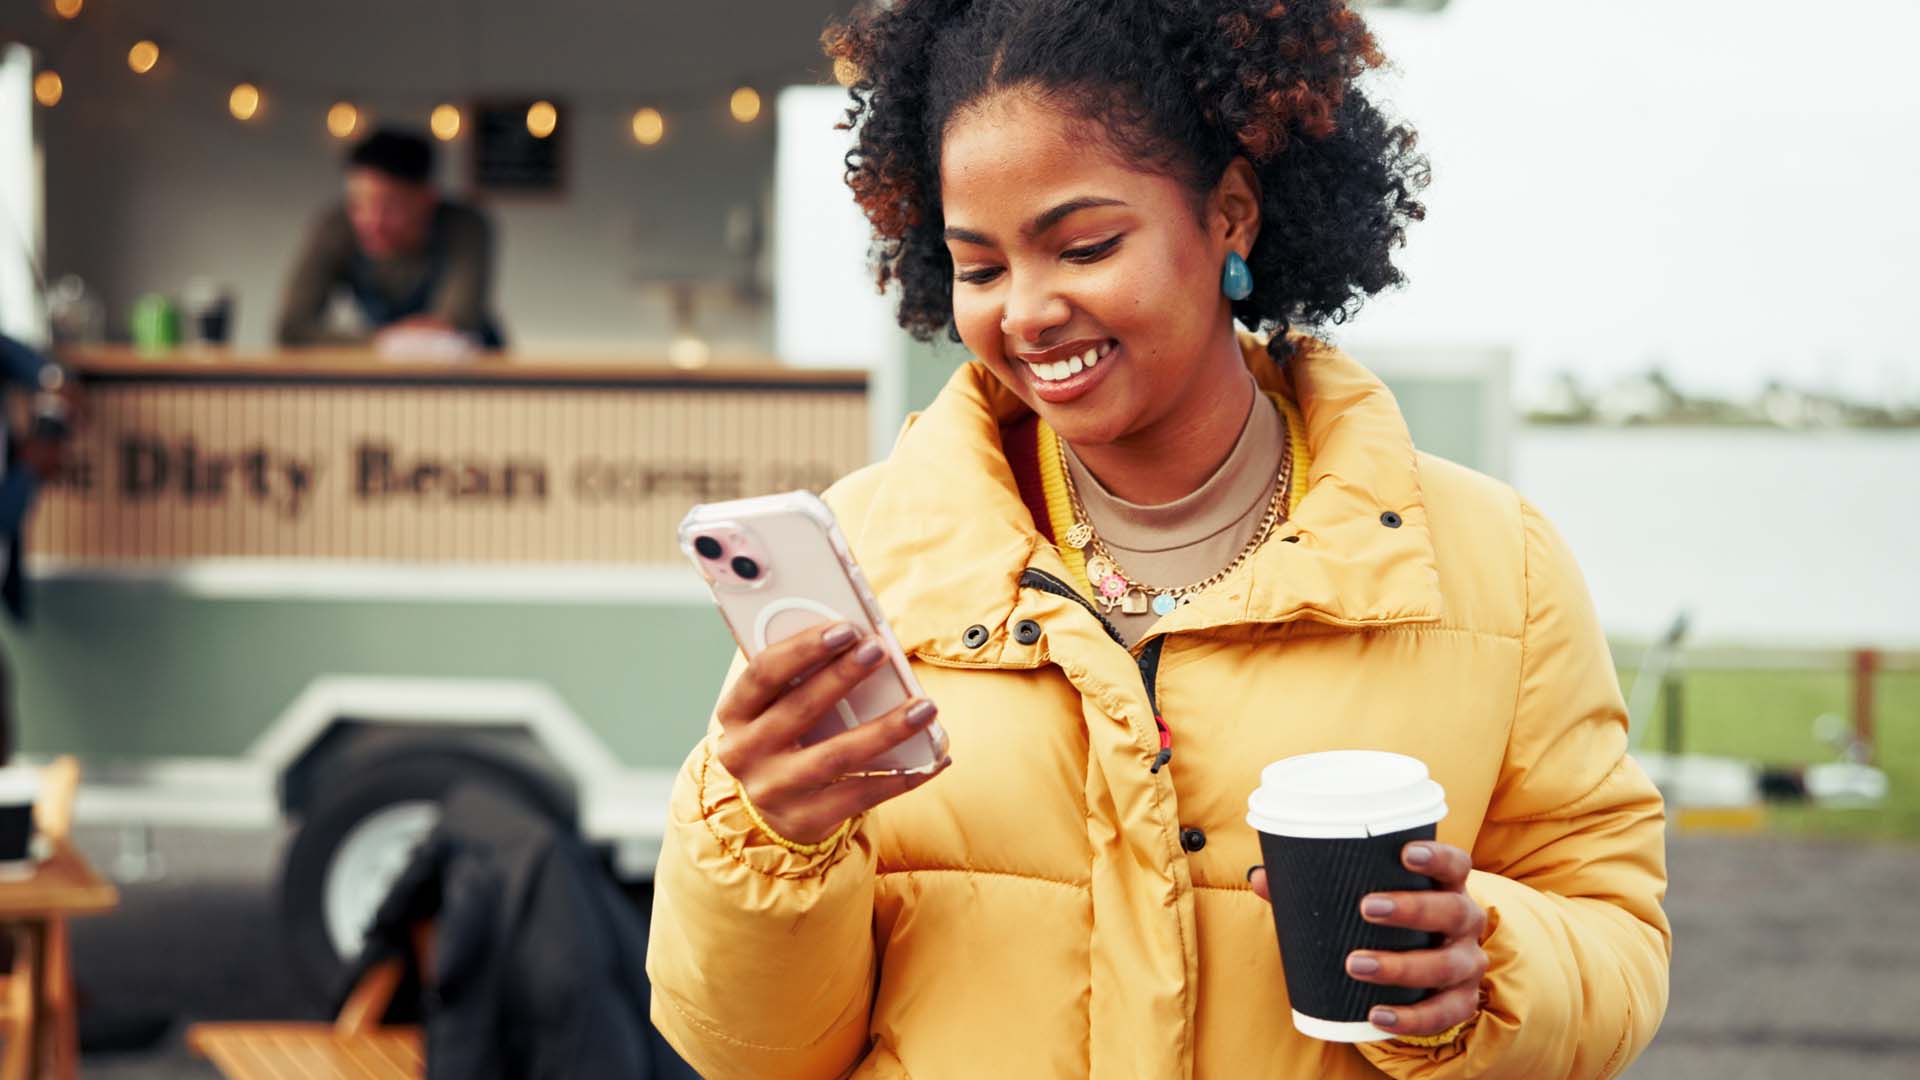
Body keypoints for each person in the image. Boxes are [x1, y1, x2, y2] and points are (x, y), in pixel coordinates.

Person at [647, 2, 1670, 1077]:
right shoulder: (871, 556)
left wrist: (1488, 969)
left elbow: (1614, 940)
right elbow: (757, 1056)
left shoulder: (1496, 567)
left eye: (1083, 246)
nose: (1027, 312)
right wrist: (767, 841)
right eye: (982, 269)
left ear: (1230, 214)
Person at [275, 129, 505, 350]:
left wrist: (388, 343)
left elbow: (455, 322)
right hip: (385, 365)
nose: (371, 222)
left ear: (426, 199)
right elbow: (293, 328)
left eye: (389, 207)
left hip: (469, 369)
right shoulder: (336, 228)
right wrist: (381, 343)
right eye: (358, 205)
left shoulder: (465, 226)